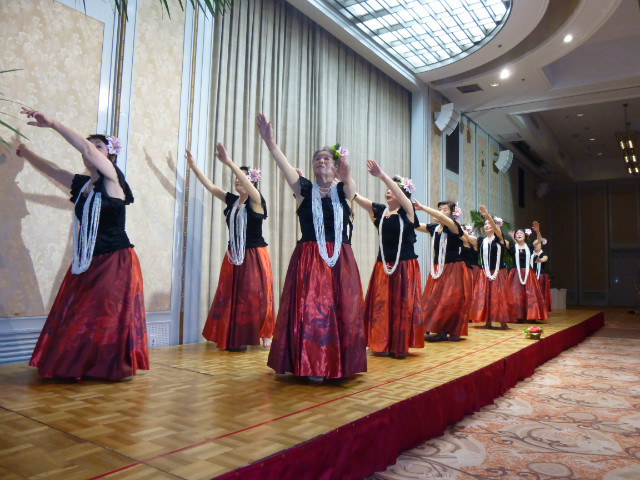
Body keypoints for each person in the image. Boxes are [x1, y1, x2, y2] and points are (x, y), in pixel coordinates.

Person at [18, 107, 148, 380]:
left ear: (111, 155)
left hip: (115, 259)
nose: (90, 150)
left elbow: (87, 151)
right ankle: (82, 365)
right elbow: (54, 171)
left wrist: (53, 121)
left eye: (98, 146)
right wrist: (26, 153)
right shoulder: (84, 185)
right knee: (80, 311)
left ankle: (105, 367)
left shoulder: (113, 180)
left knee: (102, 314)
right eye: (91, 146)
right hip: (87, 260)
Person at [257, 113, 367, 383]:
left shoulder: (344, 190)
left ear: (334, 166)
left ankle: (337, 362)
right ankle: (313, 362)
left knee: (339, 309)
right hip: (309, 256)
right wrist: (271, 143)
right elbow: (284, 168)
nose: (321, 161)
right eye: (317, 159)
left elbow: (351, 185)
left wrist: (346, 172)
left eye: (326, 158)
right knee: (313, 308)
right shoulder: (303, 189)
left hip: (339, 258)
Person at [186, 143, 275, 351]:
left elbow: (248, 186)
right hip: (233, 255)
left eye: (241, 177)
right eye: (235, 177)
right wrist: (193, 167)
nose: (237, 179)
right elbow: (211, 187)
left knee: (255, 296)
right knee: (232, 295)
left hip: (254, 255)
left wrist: (229, 163)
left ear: (251, 181)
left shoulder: (257, 200)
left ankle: (265, 333)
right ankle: (237, 334)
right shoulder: (233, 201)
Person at [352, 160, 423, 358]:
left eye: (393, 190)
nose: (389, 192)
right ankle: (381, 341)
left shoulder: (408, 211)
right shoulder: (382, 212)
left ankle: (399, 344)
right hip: (383, 264)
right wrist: (344, 184)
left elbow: (401, 195)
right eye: (387, 190)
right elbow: (360, 199)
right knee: (381, 304)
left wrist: (383, 176)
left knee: (401, 305)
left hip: (405, 265)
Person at [415, 200, 469, 342]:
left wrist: (422, 207)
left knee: (449, 300)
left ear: (451, 214)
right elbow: (414, 225)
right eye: (439, 209)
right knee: (434, 299)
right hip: (438, 268)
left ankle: (449, 330)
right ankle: (439, 329)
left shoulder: (453, 226)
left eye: (445, 209)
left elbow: (444, 219)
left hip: (453, 268)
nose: (441, 211)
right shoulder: (434, 228)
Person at [467, 206, 515, 329]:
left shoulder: (500, 239)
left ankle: (502, 322)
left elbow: (497, 231)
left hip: (499, 272)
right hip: (484, 273)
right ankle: (487, 322)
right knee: (486, 296)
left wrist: (487, 216)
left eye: (490, 224)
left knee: (499, 296)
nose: (487, 225)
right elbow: (467, 239)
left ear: (495, 226)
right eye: (485, 224)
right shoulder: (481, 240)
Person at [507, 222, 549, 322]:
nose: (519, 234)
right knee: (516, 295)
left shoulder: (530, 247)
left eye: (521, 233)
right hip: (516, 273)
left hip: (528, 274)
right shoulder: (512, 248)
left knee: (530, 295)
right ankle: (517, 316)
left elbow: (539, 240)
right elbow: (503, 242)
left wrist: (537, 231)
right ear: (515, 237)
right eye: (517, 233)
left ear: (525, 236)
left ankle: (531, 316)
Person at [532, 238, 552, 312]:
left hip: (541, 276)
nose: (536, 245)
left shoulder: (544, 253)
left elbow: (545, 258)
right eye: (535, 244)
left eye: (538, 244)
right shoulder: (531, 253)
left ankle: (542, 311)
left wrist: (540, 260)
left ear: (541, 245)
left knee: (541, 293)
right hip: (532, 276)